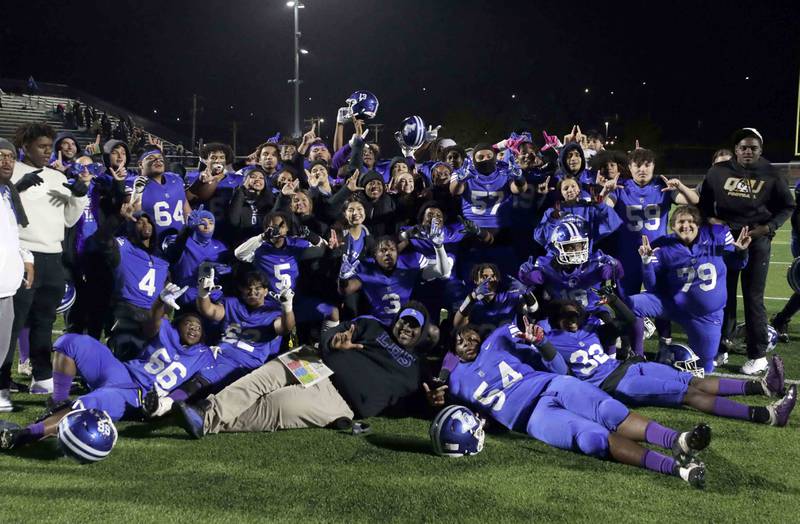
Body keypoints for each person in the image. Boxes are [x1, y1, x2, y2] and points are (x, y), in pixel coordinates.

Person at [437, 322, 710, 488]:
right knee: (593, 440)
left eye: (471, 336)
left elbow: (557, 365)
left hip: (552, 384)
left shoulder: (497, 340)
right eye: (460, 341)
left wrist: (540, 343)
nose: (467, 342)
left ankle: (678, 439)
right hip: (532, 417)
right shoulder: (456, 380)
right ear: (453, 349)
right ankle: (676, 468)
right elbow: (465, 412)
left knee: (610, 411)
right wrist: (440, 392)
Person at [0, 284, 214, 451]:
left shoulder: (204, 355)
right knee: (70, 342)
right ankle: (57, 401)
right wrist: (160, 302)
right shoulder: (167, 330)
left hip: (135, 396)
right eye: (189, 323)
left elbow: (193, 387)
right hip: (120, 371)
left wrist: (165, 405)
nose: (194, 328)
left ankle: (26, 435)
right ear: (178, 325)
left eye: (198, 327)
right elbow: (152, 324)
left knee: (86, 403)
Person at [173, 303, 431, 437]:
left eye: (413, 326)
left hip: (338, 399)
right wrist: (333, 342)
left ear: (423, 331)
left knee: (274, 406)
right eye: (403, 321)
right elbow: (331, 333)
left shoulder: (417, 369)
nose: (406, 328)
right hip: (315, 359)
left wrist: (433, 402)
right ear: (396, 320)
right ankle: (205, 413)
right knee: (262, 377)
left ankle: (205, 421)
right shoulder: (371, 326)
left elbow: (417, 404)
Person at [544, 295, 796, 426]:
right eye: (567, 317)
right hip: (616, 384)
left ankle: (764, 386)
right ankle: (766, 415)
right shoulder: (550, 339)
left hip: (629, 366)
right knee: (688, 394)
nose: (573, 320)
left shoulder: (590, 329)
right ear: (556, 321)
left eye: (575, 315)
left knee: (693, 379)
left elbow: (632, 322)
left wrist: (613, 301)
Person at [698, 128, 795, 374]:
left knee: (753, 298)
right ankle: (721, 347)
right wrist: (712, 220)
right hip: (726, 239)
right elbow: (704, 206)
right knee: (723, 296)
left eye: (753, 147)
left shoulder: (772, 173)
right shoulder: (718, 172)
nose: (748, 151)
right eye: (743, 147)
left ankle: (758, 354)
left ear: (761, 150)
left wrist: (768, 227)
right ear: (735, 150)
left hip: (756, 241)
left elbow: (787, 206)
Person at [4, 123, 88, 396]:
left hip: (53, 256)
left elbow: (69, 219)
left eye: (49, 147)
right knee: (12, 323)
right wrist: (17, 186)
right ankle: (2, 379)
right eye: (41, 146)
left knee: (44, 320)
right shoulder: (9, 170)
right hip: (23, 255)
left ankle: (41, 377)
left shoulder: (55, 176)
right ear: (24, 146)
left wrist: (78, 197)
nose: (46, 151)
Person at [633, 206, 751, 372]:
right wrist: (646, 262)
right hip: (673, 305)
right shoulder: (662, 246)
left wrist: (741, 252)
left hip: (706, 316)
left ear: (699, 224)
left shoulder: (715, 236)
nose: (686, 226)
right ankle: (635, 355)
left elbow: (737, 264)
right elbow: (651, 286)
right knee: (630, 304)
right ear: (673, 226)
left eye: (690, 222)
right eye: (681, 222)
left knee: (705, 368)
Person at [0, 137, 34, 412]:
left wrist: (27, 259)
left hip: (7, 285)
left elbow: (12, 236)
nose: (6, 161)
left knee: (1, 348)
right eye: (0, 156)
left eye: (10, 157)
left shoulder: (7, 193)